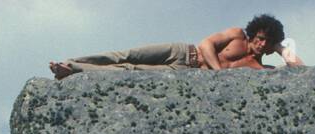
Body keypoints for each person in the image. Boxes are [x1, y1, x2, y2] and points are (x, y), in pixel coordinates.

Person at [50, 14, 302, 78]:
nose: (260, 44)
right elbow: (206, 45)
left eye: (267, 42)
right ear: (253, 32)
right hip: (183, 51)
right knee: (126, 54)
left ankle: (74, 71)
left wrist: (281, 49)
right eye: (259, 37)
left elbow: (300, 72)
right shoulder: (237, 35)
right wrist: (219, 74)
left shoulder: (260, 70)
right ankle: (72, 60)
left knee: (130, 71)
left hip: (185, 74)